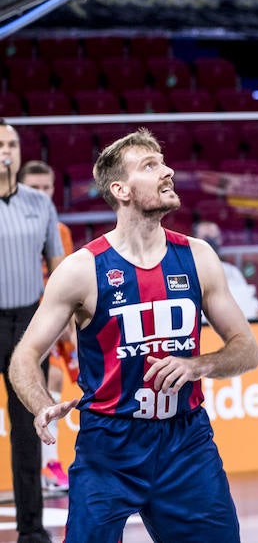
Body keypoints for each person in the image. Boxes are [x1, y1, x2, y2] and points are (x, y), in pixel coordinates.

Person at [9, 129, 258, 543]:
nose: (167, 171)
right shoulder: (81, 269)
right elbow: (24, 356)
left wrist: (199, 365)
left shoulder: (198, 257)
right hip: (109, 445)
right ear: (120, 190)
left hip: (185, 442)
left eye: (163, 162)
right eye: (150, 165)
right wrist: (41, 404)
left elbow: (247, 349)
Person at [0, 124, 66, 543]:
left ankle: (32, 531)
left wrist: (65, 323)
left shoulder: (40, 204)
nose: (6, 150)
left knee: (27, 429)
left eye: (11, 143)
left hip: (27, 324)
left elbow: (58, 268)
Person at [16, 159, 77, 495]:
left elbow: (63, 278)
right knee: (42, 382)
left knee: (59, 380)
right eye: (34, 187)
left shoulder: (61, 231)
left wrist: (67, 319)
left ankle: (51, 464)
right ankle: (45, 466)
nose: (41, 193)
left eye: (46, 187)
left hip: (50, 319)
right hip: (17, 318)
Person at [193, 221, 258, 319]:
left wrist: (257, 309)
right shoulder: (187, 272)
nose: (211, 242)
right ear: (195, 241)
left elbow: (248, 299)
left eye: (215, 238)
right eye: (206, 238)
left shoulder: (232, 271)